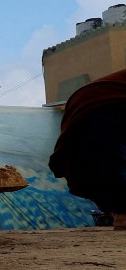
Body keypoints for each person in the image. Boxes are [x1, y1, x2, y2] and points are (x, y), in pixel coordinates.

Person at [48, 68, 126, 230]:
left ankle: (119, 214)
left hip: (85, 102)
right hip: (102, 104)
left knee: (96, 168)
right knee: (112, 162)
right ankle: (122, 214)